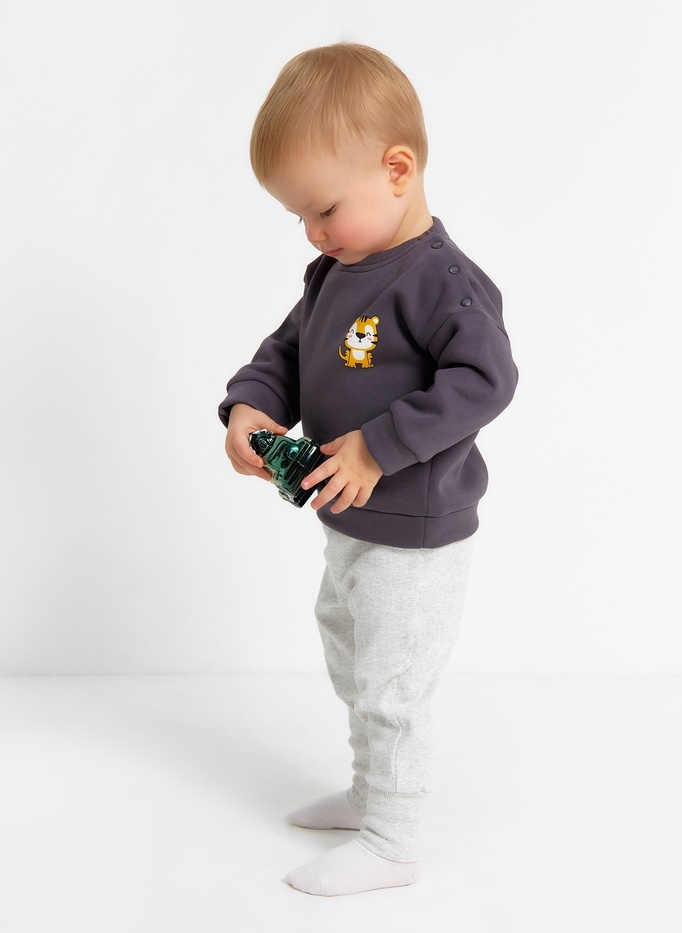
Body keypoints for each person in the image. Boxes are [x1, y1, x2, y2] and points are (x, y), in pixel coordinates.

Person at [219, 42, 518, 896]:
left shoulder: (443, 283)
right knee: (351, 654)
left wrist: (376, 445)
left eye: (324, 209)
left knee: (393, 682)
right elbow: (286, 352)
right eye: (300, 219)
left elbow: (487, 379)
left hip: (414, 532)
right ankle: (367, 792)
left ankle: (395, 838)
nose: (314, 233)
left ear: (397, 169)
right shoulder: (334, 273)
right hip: (349, 521)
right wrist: (249, 406)